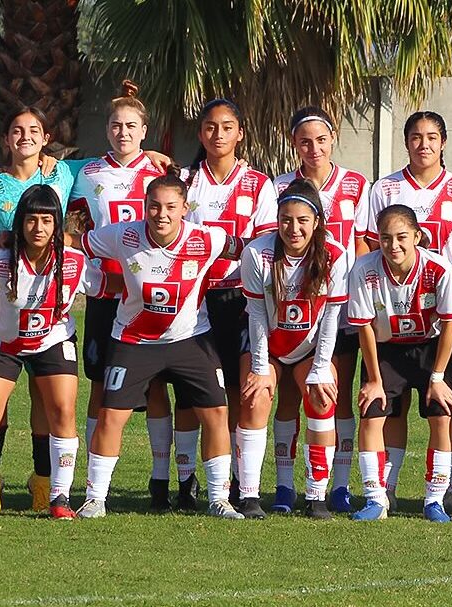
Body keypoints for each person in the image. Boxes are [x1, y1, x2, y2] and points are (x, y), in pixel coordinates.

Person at [75, 174, 245, 520]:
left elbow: (247, 247)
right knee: (111, 415)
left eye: (170, 207)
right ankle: (95, 498)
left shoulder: (206, 238)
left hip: (191, 339)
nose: (161, 214)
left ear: (185, 209)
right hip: (134, 341)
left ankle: (218, 498)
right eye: (154, 206)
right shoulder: (124, 235)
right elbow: (78, 243)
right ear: (144, 207)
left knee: (217, 413)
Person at [67, 82, 196, 512]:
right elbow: (77, 228)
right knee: (101, 385)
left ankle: (164, 478)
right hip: (108, 294)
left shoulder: (162, 173)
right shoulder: (86, 173)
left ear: (144, 130)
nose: (123, 132)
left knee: (162, 384)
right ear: (106, 129)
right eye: (116, 125)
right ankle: (90, 484)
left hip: (159, 295)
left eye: (131, 125)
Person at [0, 185, 112, 521]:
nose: (38, 228)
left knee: (63, 412)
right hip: (3, 343)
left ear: (57, 226)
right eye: (30, 220)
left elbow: (104, 286)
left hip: (53, 340)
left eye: (46, 220)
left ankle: (60, 497)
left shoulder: (74, 262)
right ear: (19, 224)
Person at [364, 110, 452, 511]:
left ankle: (446, 489)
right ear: (406, 142)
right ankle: (389, 487)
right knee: (392, 409)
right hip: (390, 318)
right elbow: (369, 247)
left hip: (437, 319)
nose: (424, 144)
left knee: (441, 408)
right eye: (416, 137)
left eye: (432, 137)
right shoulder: (385, 188)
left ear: (444, 141)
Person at [0, 105, 77, 513]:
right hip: (3, 312)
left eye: (34, 130)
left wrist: (152, 155)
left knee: (52, 406)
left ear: (46, 138)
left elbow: (111, 166)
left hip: (49, 323)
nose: (25, 136)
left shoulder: (63, 173)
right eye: (16, 129)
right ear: (5, 139)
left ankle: (47, 485)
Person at [271, 106, 371, 514]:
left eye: (321, 139)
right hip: (292, 310)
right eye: (304, 141)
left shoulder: (356, 185)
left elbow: (365, 243)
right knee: (288, 400)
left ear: (333, 141)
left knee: (335, 395)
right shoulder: (279, 186)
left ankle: (338, 486)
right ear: (294, 145)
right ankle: (282, 489)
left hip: (341, 307)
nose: (314, 148)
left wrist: (348, 287)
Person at [180, 99, 277, 504]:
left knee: (245, 392)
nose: (218, 135)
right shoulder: (183, 180)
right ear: (200, 133)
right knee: (193, 395)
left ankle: (243, 486)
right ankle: (185, 481)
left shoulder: (259, 184)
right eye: (209, 127)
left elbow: (266, 245)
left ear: (240, 132)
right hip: (194, 300)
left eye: (226, 127)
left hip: (243, 300)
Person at [239, 178, 350, 519]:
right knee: (255, 397)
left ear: (317, 222)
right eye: (286, 219)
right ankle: (251, 495)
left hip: (310, 347)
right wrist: (260, 367)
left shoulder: (334, 254)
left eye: (302, 220)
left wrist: (319, 367)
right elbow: (257, 314)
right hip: (267, 344)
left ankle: (316, 496)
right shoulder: (257, 252)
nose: (294, 228)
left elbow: (331, 316)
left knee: (321, 395)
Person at [348, 204, 452, 522]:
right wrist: (373, 378)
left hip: (430, 349)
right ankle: (376, 499)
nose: (393, 246)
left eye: (401, 238)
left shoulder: (438, 268)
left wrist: (438, 376)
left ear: (417, 237)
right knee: (373, 413)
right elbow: (364, 326)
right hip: (386, 349)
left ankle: (434, 500)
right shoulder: (364, 269)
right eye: (385, 238)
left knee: (441, 416)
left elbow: (450, 323)